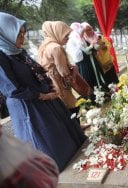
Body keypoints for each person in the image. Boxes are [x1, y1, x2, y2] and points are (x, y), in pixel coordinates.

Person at [0, 12, 86, 171]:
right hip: (29, 106)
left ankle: (75, 163)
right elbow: (13, 89)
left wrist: (50, 86)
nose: (22, 38)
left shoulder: (19, 52)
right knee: (47, 140)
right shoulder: (2, 57)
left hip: (47, 98)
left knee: (64, 133)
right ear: (5, 34)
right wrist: (43, 95)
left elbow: (38, 69)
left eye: (23, 33)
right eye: (18, 34)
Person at [38, 21, 78, 115]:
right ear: (57, 33)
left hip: (49, 81)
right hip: (59, 81)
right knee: (71, 105)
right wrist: (74, 71)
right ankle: (76, 128)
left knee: (61, 107)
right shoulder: (56, 48)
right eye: (65, 35)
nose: (68, 38)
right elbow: (64, 72)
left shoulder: (44, 45)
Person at [81, 22, 107, 90]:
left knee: (108, 75)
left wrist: (101, 44)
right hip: (95, 62)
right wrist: (92, 47)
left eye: (91, 29)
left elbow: (105, 47)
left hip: (105, 60)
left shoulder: (98, 36)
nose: (90, 31)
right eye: (87, 30)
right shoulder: (83, 41)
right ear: (83, 32)